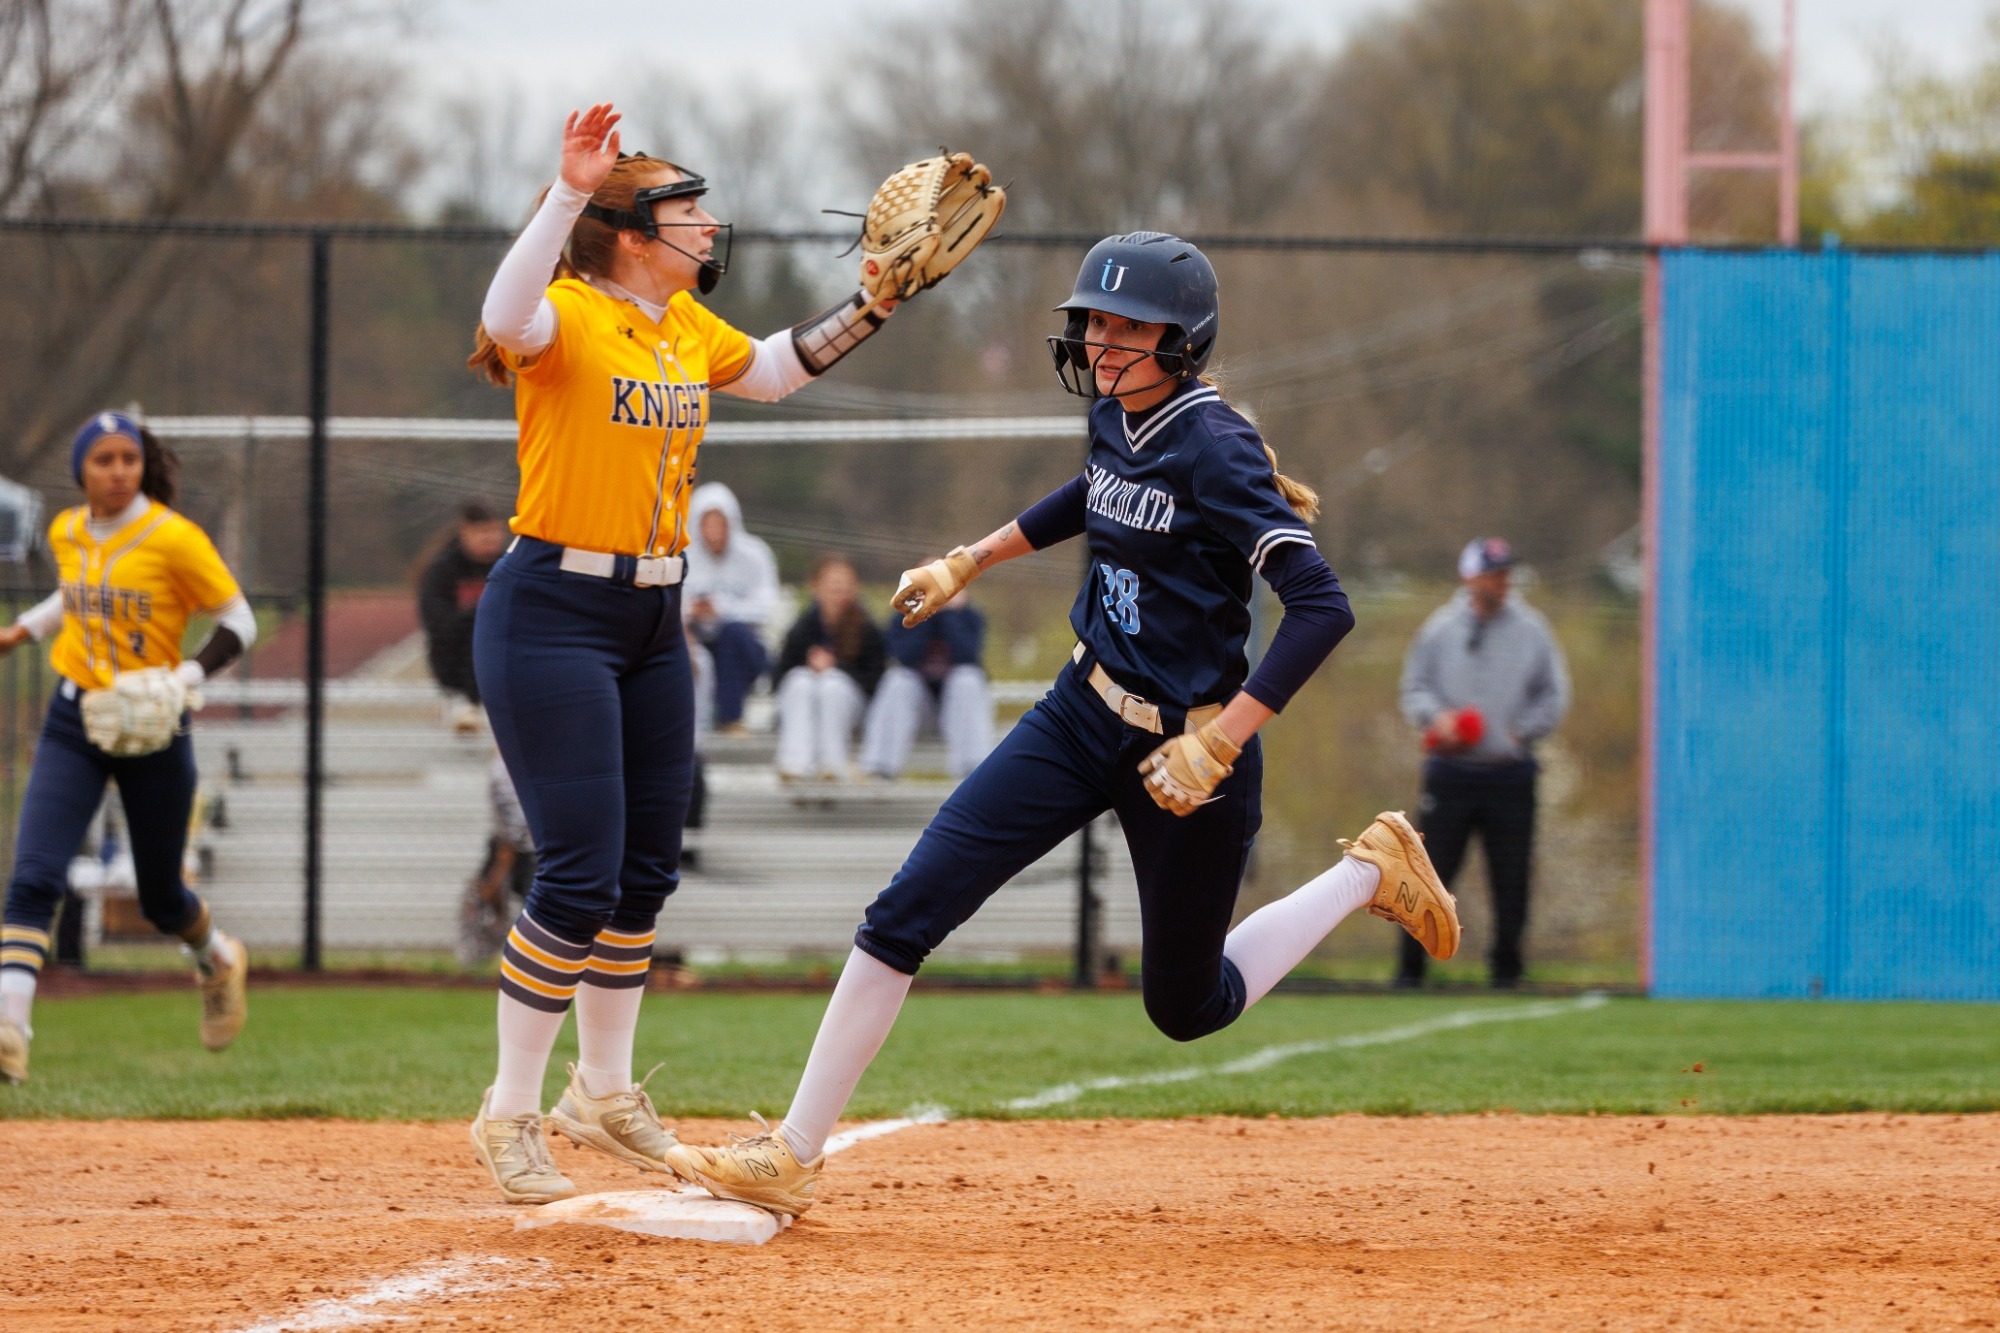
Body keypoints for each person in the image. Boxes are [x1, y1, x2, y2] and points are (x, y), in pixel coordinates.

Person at [665, 232, 1462, 1217]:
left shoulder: (1213, 446)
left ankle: (1365, 872)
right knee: (905, 908)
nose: (1100, 341)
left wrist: (1223, 739)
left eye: (1129, 326)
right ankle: (791, 1149)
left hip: (1187, 751)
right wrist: (969, 559)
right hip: (1080, 712)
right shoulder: (1114, 413)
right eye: (1093, 321)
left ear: (1184, 341)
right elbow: (1091, 494)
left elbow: (1321, 606)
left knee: (1186, 1005)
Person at [462, 103, 947, 1203]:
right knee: (578, 868)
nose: (709, 226)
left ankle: (603, 1090)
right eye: (689, 213)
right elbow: (503, 310)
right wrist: (568, 190)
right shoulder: (571, 315)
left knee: (643, 869)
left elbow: (774, 369)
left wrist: (870, 305)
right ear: (633, 231)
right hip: (551, 611)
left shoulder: (682, 328)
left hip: (650, 618)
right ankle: (507, 1113)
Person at [0, 411, 258, 1085]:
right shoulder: (67, 529)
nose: (118, 470)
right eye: (104, 459)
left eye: (129, 458)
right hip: (75, 717)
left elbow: (240, 619)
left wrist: (187, 677)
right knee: (33, 877)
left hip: (153, 727)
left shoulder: (173, 538)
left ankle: (218, 960)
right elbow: (74, 595)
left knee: (161, 899)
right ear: (80, 470)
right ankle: (10, 1029)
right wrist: (19, 631)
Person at [1395, 537, 1570, 989]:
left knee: (1511, 880)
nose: (1503, 580)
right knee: (1428, 875)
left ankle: (1507, 972)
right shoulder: (1438, 630)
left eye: (1506, 572)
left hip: (1509, 776)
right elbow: (1414, 688)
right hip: (1450, 775)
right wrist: (1438, 719)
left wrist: (1522, 730)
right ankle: (1409, 972)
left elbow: (1554, 693)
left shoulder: (1533, 630)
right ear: (1470, 577)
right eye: (1494, 573)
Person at [773, 555, 885, 781]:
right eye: (832, 584)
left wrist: (836, 667)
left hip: (851, 706)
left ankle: (832, 765)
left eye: (844, 584)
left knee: (831, 685)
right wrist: (812, 668)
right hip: (807, 701)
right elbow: (780, 676)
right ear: (816, 587)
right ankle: (794, 764)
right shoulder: (803, 627)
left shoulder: (866, 629)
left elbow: (875, 681)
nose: (838, 590)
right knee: (800, 680)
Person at [859, 594, 992, 779]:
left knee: (967, 678)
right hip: (920, 712)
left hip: (957, 711)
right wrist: (923, 614)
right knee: (899, 679)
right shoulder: (902, 618)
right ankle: (880, 769)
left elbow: (967, 655)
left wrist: (949, 615)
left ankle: (972, 772)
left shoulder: (970, 616)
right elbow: (906, 657)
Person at [682, 483, 778, 733]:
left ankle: (731, 718)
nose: (714, 531)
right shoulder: (684, 557)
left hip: (745, 648)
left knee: (731, 634)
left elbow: (766, 606)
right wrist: (691, 610)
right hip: (696, 641)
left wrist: (722, 609)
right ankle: (687, 724)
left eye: (720, 523)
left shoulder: (755, 554)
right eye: (708, 523)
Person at [418, 501, 510, 732]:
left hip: (503, 655)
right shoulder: (442, 570)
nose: (491, 539)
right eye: (483, 533)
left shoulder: (508, 567)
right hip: (454, 660)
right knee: (478, 625)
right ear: (465, 532)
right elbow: (438, 622)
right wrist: (480, 613)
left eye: (495, 531)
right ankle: (468, 702)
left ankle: (474, 704)